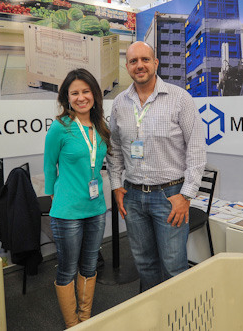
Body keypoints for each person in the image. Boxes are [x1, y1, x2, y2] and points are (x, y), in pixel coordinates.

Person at [106, 41, 206, 291]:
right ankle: (152, 311)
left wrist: (186, 195)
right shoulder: (119, 103)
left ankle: (177, 313)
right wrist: (116, 186)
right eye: (133, 61)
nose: (139, 65)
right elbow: (114, 147)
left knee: (173, 267)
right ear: (127, 67)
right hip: (132, 197)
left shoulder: (180, 98)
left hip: (170, 197)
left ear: (155, 63)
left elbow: (196, 150)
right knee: (145, 265)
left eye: (145, 59)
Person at [44, 68, 110, 328]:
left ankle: (85, 319)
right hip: (68, 212)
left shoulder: (100, 126)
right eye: (75, 93)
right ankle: (73, 324)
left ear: (94, 94)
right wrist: (54, 194)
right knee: (67, 269)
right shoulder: (60, 127)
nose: (81, 97)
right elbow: (49, 165)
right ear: (67, 98)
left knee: (90, 266)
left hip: (96, 208)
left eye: (86, 91)